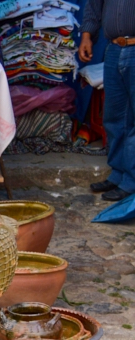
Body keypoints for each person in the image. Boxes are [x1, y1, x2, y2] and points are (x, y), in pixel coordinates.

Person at [80, 0, 135, 201]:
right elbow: (94, 6)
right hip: (113, 49)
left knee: (133, 121)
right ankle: (118, 174)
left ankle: (131, 180)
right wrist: (87, 36)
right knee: (114, 117)